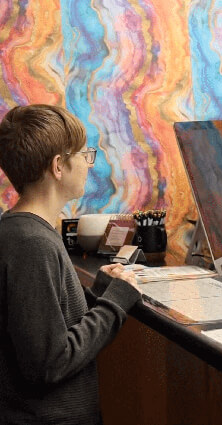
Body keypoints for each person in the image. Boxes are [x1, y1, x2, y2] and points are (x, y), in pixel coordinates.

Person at [0, 104, 142, 425]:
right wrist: (115, 304)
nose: (88, 163)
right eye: (83, 154)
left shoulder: (24, 231)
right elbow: (49, 363)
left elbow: (45, 324)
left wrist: (101, 293)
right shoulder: (32, 245)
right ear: (58, 166)